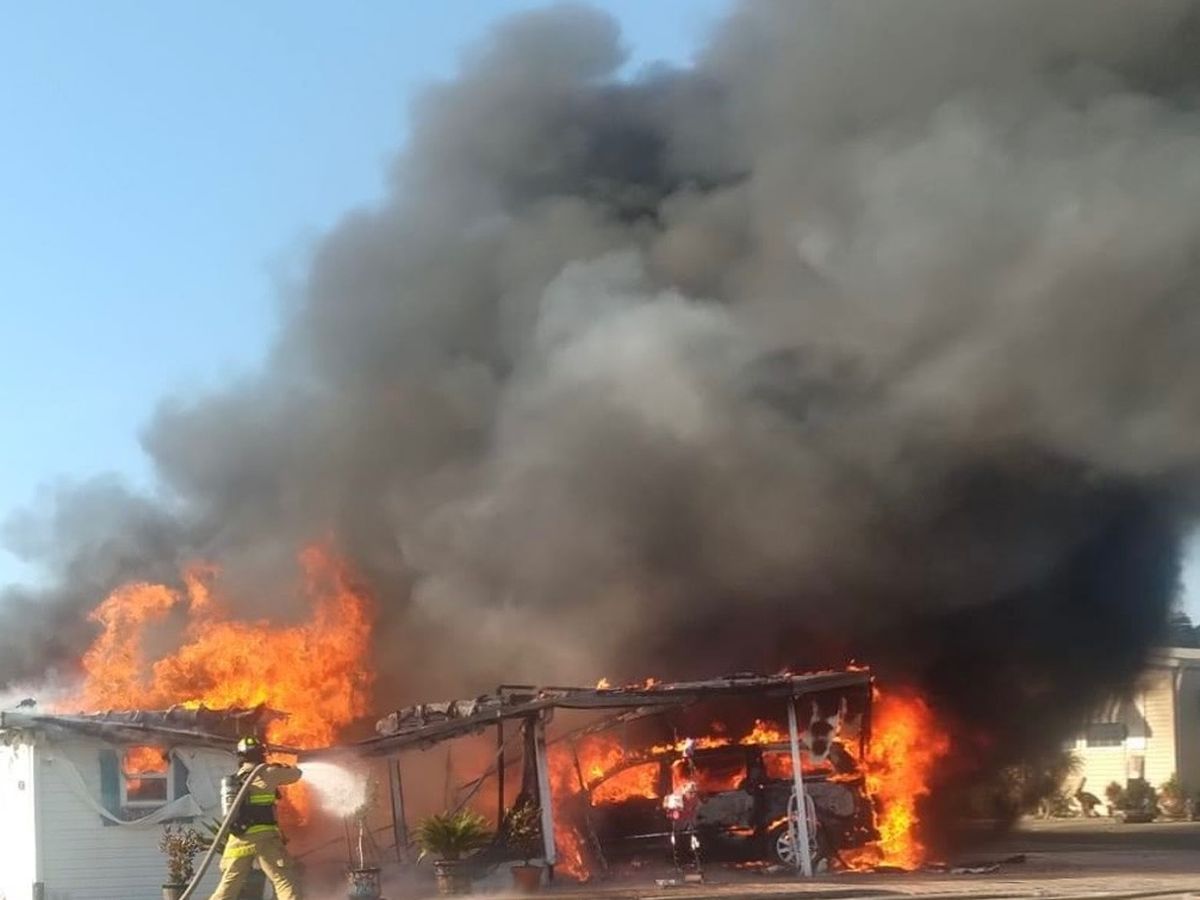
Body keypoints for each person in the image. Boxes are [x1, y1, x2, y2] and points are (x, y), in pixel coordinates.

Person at [209, 736, 303, 900]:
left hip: (239, 838)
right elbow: (296, 774)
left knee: (227, 887)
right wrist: (285, 765)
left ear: (240, 756)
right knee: (283, 881)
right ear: (261, 754)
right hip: (265, 838)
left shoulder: (236, 779)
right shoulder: (269, 772)